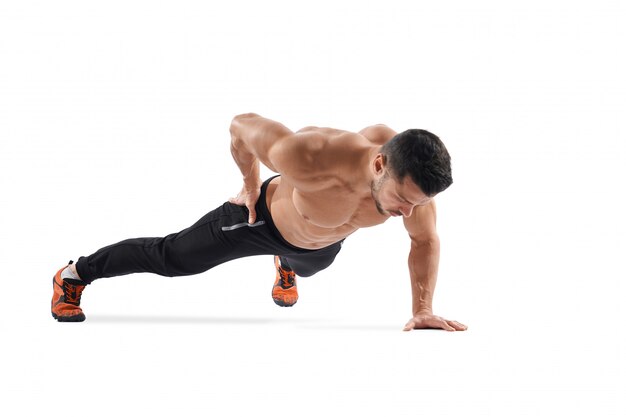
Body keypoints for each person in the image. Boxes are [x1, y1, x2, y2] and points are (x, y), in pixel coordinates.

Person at [51, 113, 467, 332]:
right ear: (379, 164)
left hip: (318, 246)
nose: (408, 213)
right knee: (174, 258)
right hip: (259, 220)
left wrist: (424, 308)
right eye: (403, 201)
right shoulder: (310, 156)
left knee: (314, 265)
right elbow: (241, 125)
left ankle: (285, 266)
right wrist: (249, 183)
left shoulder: (412, 188)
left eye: (418, 203)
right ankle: (76, 273)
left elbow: (424, 241)